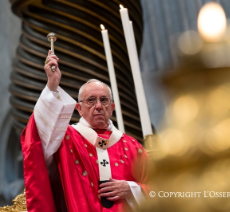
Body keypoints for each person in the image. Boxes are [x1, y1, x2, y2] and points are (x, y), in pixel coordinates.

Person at [21, 50, 149, 212]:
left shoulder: (132, 146)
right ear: (79, 109)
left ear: (112, 108)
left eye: (104, 100)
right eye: (91, 100)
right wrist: (52, 87)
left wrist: (133, 189)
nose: (98, 106)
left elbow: (162, 190)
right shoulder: (64, 137)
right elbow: (36, 138)